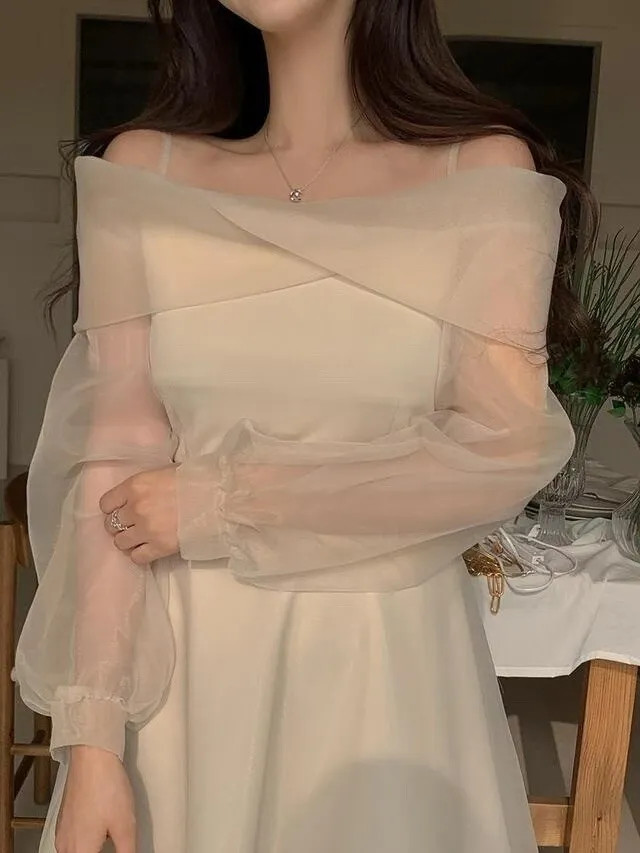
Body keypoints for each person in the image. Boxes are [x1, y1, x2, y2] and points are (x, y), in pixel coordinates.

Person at [16, 1, 595, 851]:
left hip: (383, 671)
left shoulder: (480, 172)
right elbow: (112, 460)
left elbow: (502, 448)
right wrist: (92, 735)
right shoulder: (144, 172)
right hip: (184, 680)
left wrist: (223, 502)